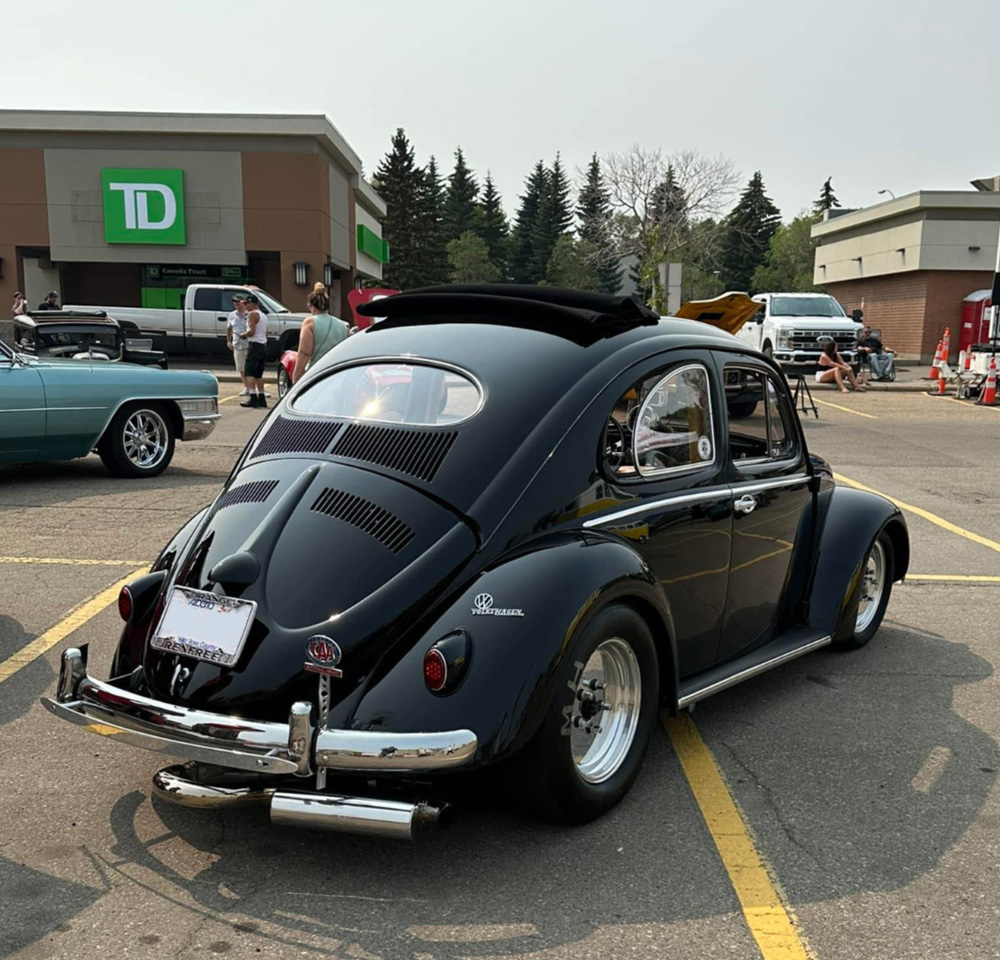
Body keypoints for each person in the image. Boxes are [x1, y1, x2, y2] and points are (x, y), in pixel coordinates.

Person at [291, 283, 348, 384]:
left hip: (317, 372)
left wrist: (297, 374)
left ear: (312, 307)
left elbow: (305, 352)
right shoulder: (343, 326)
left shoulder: (309, 323)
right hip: (338, 372)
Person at [239, 293, 268, 408]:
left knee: (249, 372)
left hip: (255, 344)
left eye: (246, 304)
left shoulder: (252, 314)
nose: (245, 306)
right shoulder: (263, 316)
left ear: (252, 303)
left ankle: (253, 397)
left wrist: (243, 335)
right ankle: (262, 398)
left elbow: (252, 331)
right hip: (263, 344)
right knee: (258, 374)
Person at [226, 295, 252, 396]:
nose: (236, 304)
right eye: (234, 302)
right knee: (241, 368)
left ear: (243, 302)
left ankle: (253, 388)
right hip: (237, 344)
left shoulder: (249, 314)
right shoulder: (232, 315)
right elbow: (229, 328)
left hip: (249, 343)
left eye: (238, 301)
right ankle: (247, 388)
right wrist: (228, 341)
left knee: (250, 367)